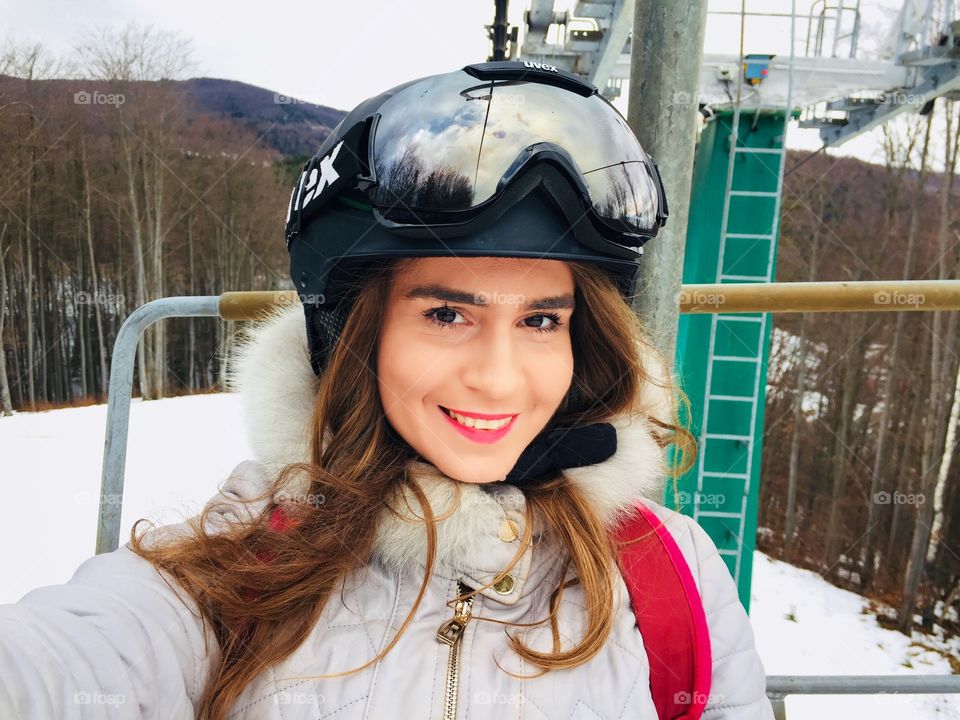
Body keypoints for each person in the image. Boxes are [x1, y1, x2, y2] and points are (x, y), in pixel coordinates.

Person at [0, 62, 773, 719]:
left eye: (541, 320)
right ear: (354, 337)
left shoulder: (667, 576)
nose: (499, 377)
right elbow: (57, 666)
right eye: (446, 313)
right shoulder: (235, 577)